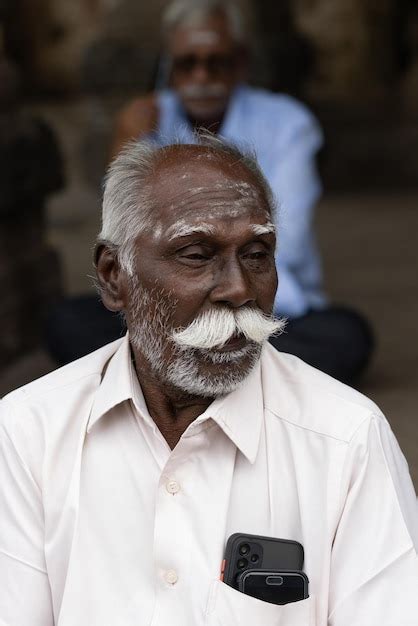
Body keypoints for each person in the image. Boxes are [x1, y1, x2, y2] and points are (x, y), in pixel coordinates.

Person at [1, 137, 417, 625]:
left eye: (257, 253)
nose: (240, 288)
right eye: (197, 254)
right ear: (115, 276)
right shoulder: (28, 431)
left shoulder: (347, 437)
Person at [45, 0, 373, 384]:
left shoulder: (287, 123)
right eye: (188, 64)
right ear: (168, 68)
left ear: (240, 64)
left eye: (216, 62)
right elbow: (128, 244)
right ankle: (239, 373)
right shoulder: (146, 120)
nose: (202, 76)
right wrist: (126, 146)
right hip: (173, 310)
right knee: (67, 321)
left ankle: (169, 370)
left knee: (347, 335)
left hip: (265, 314)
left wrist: (217, 291)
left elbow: (287, 241)